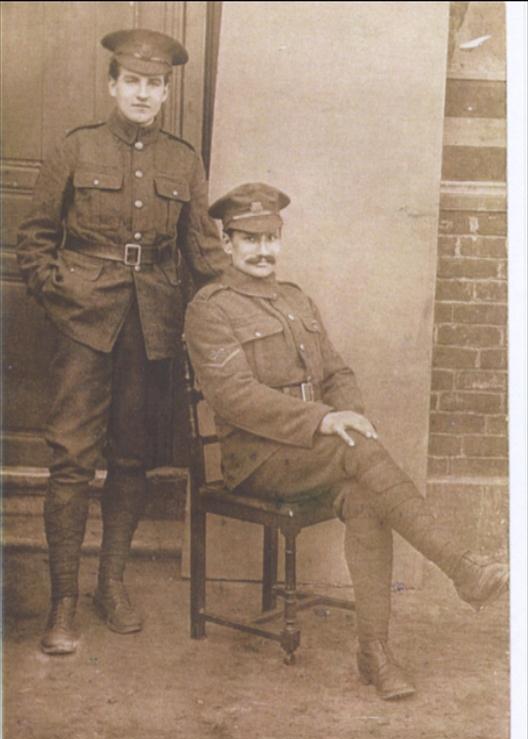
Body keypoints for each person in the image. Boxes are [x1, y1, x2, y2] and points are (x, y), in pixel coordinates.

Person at [184, 182, 509, 701]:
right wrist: (325, 420)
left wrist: (349, 411)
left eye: (271, 237)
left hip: (314, 457)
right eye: (249, 239)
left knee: (366, 499)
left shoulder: (295, 299)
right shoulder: (211, 308)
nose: (264, 250)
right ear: (227, 244)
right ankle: (460, 566)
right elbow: (234, 399)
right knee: (352, 448)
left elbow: (336, 370)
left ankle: (374, 654)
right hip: (258, 459)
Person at [16, 29, 227, 655]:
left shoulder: (183, 160)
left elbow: (204, 254)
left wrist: (236, 310)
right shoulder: (76, 148)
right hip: (84, 320)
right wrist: (61, 295)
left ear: (165, 92)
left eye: (154, 84)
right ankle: (64, 603)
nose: (143, 93)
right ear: (113, 85)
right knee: (72, 459)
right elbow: (34, 239)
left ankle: (111, 583)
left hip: (153, 323)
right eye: (132, 81)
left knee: (132, 457)